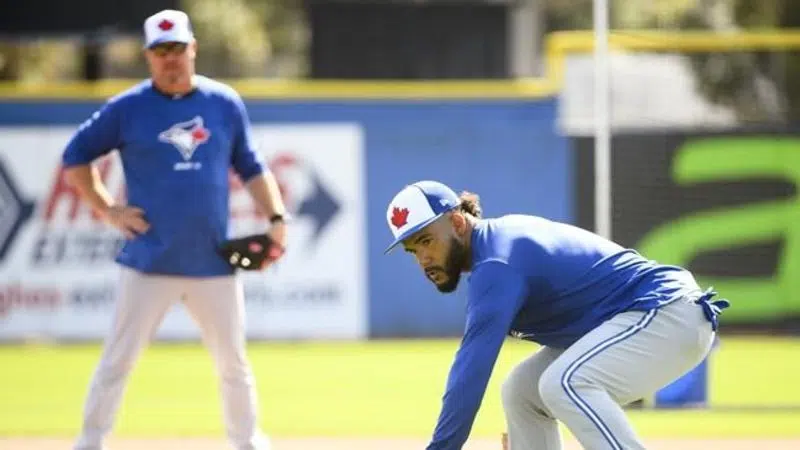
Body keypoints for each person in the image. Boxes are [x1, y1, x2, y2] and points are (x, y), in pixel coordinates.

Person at [64, 9, 287, 450]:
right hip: (149, 259)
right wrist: (108, 209)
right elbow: (75, 158)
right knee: (118, 361)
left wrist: (277, 218)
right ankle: (89, 441)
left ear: (193, 49)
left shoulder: (222, 103)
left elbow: (253, 166)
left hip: (213, 261)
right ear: (148, 56)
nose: (170, 59)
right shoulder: (127, 108)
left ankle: (247, 442)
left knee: (233, 365)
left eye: (177, 49)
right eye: (160, 50)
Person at [383, 180, 730, 450]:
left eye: (426, 240)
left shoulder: (496, 264)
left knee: (564, 382)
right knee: (522, 391)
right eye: (413, 249)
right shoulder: (494, 250)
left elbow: (469, 374)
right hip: (650, 318)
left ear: (458, 222)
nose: (422, 258)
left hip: (668, 313)